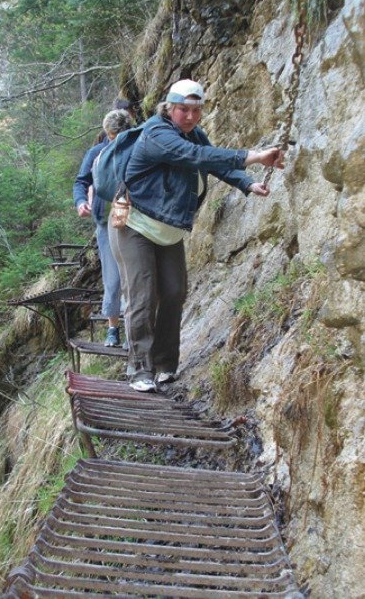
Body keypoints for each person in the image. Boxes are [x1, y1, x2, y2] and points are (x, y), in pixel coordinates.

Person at [108, 79, 284, 392]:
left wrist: (247, 183)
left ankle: (164, 365)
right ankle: (140, 370)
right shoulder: (157, 133)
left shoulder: (195, 134)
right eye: (182, 109)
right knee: (143, 295)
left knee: (174, 292)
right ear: (169, 108)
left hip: (168, 229)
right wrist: (255, 156)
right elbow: (196, 157)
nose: (189, 116)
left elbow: (212, 159)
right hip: (135, 225)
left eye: (195, 110)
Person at [73, 109, 133, 347]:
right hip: (105, 219)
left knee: (133, 276)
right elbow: (81, 181)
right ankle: (112, 328)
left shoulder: (137, 149)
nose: (115, 139)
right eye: (112, 135)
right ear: (107, 134)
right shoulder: (97, 152)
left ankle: (131, 329)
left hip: (133, 220)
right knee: (112, 277)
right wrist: (81, 202)